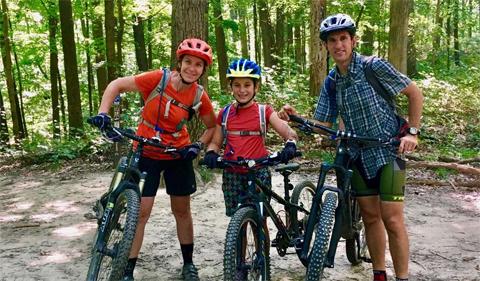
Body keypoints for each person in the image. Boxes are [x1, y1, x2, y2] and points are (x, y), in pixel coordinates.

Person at [278, 14, 423, 281]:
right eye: (332, 41)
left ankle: (402, 277)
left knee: (391, 218)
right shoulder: (332, 81)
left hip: (389, 150)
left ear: (353, 41)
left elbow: (414, 93)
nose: (338, 45)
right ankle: (379, 274)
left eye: (343, 38)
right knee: (369, 216)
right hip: (356, 153)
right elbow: (323, 124)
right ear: (326, 46)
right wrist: (298, 118)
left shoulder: (374, 66)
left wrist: (412, 133)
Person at [90, 38, 216, 281]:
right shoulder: (159, 78)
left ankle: (188, 264)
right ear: (179, 63)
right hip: (146, 149)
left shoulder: (199, 94)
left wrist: (197, 146)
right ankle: (127, 270)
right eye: (188, 62)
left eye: (198, 65)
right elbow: (116, 85)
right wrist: (103, 114)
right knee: (141, 212)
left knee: (181, 210)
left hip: (177, 153)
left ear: (203, 70)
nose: (192, 68)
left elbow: (213, 126)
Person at [202, 58, 298, 217]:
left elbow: (288, 132)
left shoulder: (264, 111)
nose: (242, 90)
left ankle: (263, 241)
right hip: (232, 172)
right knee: (236, 220)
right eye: (237, 85)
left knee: (260, 217)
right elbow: (215, 142)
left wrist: (290, 144)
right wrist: (211, 153)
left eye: (247, 85)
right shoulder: (225, 113)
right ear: (231, 87)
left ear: (256, 87)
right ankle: (240, 242)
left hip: (258, 171)